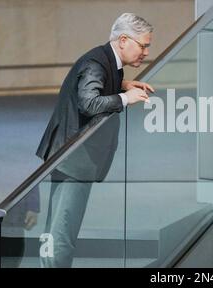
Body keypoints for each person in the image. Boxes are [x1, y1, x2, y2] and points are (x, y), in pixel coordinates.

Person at [35, 13, 154, 267]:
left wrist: (122, 85)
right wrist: (125, 98)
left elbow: (95, 87)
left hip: (72, 157)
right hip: (73, 160)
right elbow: (88, 102)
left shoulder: (106, 61)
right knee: (62, 233)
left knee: (59, 230)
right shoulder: (96, 64)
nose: (146, 52)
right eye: (143, 45)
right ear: (123, 40)